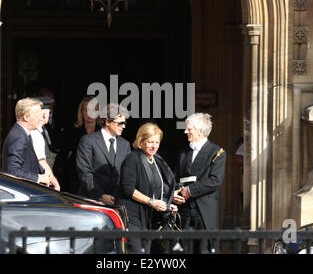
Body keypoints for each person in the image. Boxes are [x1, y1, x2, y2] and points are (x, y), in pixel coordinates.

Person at [118, 123, 179, 254]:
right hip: (132, 216)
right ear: (141, 141)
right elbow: (127, 188)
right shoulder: (132, 158)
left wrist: (167, 205)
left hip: (147, 218)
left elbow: (157, 189)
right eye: (150, 141)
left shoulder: (156, 160)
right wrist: (152, 202)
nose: (154, 146)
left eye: (157, 142)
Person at [173, 113, 226, 253]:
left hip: (204, 211)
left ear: (200, 131)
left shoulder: (217, 152)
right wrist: (176, 192)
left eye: (189, 129)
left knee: (204, 249)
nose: (185, 132)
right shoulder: (183, 153)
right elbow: (176, 178)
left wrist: (189, 191)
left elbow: (215, 180)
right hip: (184, 211)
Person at [75, 103, 131, 204]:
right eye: (120, 123)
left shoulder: (125, 145)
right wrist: (100, 195)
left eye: (124, 123)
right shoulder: (88, 140)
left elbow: (127, 174)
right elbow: (84, 172)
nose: (123, 126)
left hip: (115, 201)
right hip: (90, 199)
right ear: (108, 121)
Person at [53, 96, 99, 193]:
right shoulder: (72, 131)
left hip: (98, 176)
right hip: (74, 176)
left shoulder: (103, 132)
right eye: (86, 110)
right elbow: (63, 155)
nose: (90, 114)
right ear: (81, 112)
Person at [1, 98, 51, 186]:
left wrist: (44, 173)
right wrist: (40, 178)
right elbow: (13, 171)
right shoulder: (19, 137)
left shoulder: (24, 133)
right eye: (38, 114)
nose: (41, 118)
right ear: (26, 117)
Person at [31, 96, 61, 191]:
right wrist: (54, 181)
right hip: (39, 181)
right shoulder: (35, 133)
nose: (49, 115)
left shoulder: (41, 130)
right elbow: (42, 162)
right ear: (44, 114)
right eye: (49, 112)